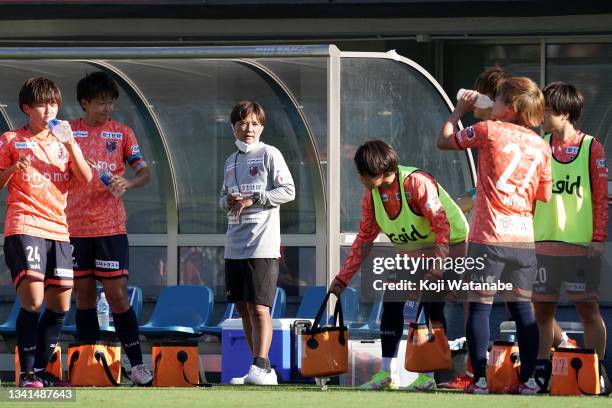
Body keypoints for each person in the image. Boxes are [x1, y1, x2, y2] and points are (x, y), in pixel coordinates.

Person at [437, 77, 552, 395]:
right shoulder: (542, 146)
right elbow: (544, 195)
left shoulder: (489, 131)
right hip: (523, 239)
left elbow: (445, 141)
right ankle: (528, 382)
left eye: (498, 99)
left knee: (480, 307)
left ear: (510, 107)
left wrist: (458, 112)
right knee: (522, 310)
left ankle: (481, 380)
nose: (492, 103)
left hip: (489, 235)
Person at [329, 140, 469, 391]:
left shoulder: (416, 183)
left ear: (378, 171)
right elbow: (364, 240)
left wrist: (437, 267)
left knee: (431, 308)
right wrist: (342, 278)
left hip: (448, 246)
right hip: (412, 252)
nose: (359, 177)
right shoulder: (371, 197)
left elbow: (441, 226)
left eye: (362, 172)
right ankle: (386, 373)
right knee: (392, 302)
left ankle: (429, 376)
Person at [0, 77, 92, 387]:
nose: (48, 108)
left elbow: (86, 177)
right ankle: (26, 374)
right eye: (41, 103)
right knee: (33, 301)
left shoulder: (63, 141)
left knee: (62, 304)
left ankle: (40, 370)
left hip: (59, 229)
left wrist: (69, 143)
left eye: (53, 102)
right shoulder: (10, 139)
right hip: (24, 224)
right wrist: (12, 171)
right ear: (27, 107)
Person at [65, 71, 152, 385]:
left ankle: (137, 364)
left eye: (111, 102)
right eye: (101, 103)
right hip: (73, 229)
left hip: (111, 228)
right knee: (84, 296)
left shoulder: (123, 132)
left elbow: (144, 172)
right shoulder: (69, 132)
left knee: (117, 296)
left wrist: (127, 181)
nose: (107, 108)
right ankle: (89, 361)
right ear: (85, 103)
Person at [532, 81, 609, 392]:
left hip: (580, 248)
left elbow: (600, 198)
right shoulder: (539, 145)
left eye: (546, 112)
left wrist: (598, 238)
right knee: (542, 315)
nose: (540, 117)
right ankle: (542, 373)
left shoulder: (592, 147)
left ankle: (595, 372)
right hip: (542, 244)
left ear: (564, 114)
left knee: (589, 312)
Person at [220, 101, 295, 385]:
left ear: (262, 127)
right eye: (242, 123)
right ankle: (259, 368)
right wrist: (226, 201)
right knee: (242, 307)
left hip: (262, 244)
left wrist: (256, 198)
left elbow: (288, 191)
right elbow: (221, 196)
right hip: (234, 244)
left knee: (260, 307)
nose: (248, 129)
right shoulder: (230, 161)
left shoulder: (269, 153)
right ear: (233, 128)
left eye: (254, 123)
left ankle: (262, 366)